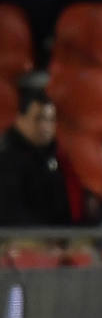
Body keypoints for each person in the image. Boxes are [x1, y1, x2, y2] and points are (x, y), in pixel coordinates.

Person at [0, 89, 71, 227]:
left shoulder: (55, 158)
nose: (46, 126)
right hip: (19, 239)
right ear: (20, 119)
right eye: (39, 119)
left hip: (54, 238)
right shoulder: (7, 159)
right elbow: (10, 212)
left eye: (51, 120)